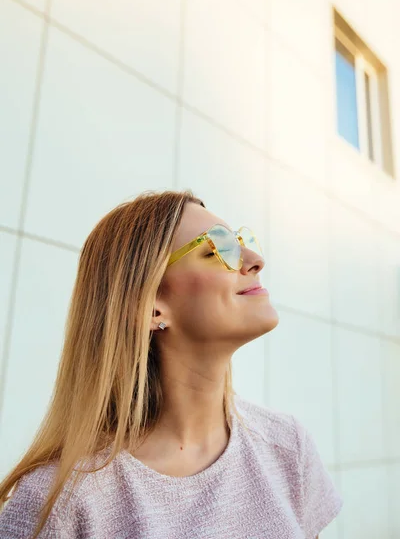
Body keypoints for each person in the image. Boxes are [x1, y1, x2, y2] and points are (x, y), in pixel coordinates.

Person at [0, 189, 343, 538]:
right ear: (150, 307)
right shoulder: (57, 504)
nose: (255, 259)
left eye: (243, 241)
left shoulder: (287, 448)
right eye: (219, 248)